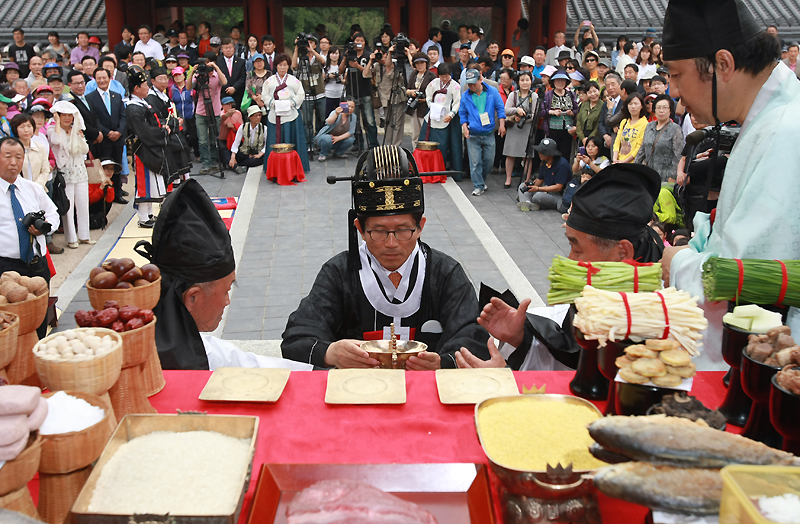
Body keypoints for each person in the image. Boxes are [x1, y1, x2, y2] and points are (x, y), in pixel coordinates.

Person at [659, 0, 800, 369]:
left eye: (675, 74)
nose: (673, 92)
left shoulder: (785, 133)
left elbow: (753, 276)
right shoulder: (771, 116)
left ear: (723, 64)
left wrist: (679, 264)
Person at [282, 146, 491, 369]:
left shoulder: (444, 272)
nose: (391, 243)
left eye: (403, 230)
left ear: (420, 227)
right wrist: (330, 352)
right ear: (360, 229)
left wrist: (442, 364)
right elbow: (297, 338)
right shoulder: (339, 272)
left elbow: (473, 337)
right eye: (379, 232)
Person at [458, 164, 664, 371]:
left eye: (576, 247)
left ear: (622, 253)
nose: (570, 258)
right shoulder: (585, 306)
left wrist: (505, 379)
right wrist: (520, 338)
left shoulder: (664, 325)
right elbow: (565, 363)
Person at [133, 179, 311, 370]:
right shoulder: (195, 357)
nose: (227, 301)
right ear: (192, 297)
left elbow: (245, 363)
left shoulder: (202, 348)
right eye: (226, 291)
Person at [0, 137, 59, 337]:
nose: (13, 162)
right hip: (6, 267)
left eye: (18, 157)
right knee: (9, 322)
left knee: (39, 317)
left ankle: (37, 356)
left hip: (36, 264)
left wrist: (44, 229)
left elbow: (53, 214)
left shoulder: (32, 188)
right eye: (8, 156)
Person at [125, 69, 169, 228]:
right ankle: (143, 217)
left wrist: (163, 126)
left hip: (149, 147)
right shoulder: (133, 107)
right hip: (142, 149)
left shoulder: (141, 103)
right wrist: (161, 131)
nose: (147, 87)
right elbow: (143, 131)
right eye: (144, 85)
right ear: (136, 88)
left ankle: (149, 213)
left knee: (152, 182)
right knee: (145, 184)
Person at [47, 101, 92, 249]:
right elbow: (56, 141)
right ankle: (71, 238)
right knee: (68, 207)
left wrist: (79, 136)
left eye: (69, 115)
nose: (67, 118)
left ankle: (85, 236)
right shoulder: (53, 130)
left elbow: (85, 150)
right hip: (65, 173)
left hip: (80, 172)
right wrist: (58, 123)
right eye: (63, 115)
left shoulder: (77, 130)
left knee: (83, 204)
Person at [460, 68, 506, 196]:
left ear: (481, 79)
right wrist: (465, 128)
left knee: (489, 161)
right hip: (473, 133)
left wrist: (502, 125)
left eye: (474, 83)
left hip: (488, 132)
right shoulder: (466, 95)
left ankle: (481, 179)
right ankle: (478, 185)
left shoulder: (492, 92)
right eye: (469, 83)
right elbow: (462, 113)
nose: (471, 86)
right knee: (474, 162)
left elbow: (500, 109)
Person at [84, 68, 127, 206]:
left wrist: (119, 132)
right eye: (99, 78)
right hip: (103, 140)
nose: (102, 80)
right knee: (104, 169)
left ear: (110, 78)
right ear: (95, 80)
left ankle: (118, 194)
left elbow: (123, 116)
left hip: (118, 139)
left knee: (117, 168)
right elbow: (94, 120)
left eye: (104, 77)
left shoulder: (117, 96)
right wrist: (108, 132)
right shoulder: (90, 98)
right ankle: (106, 194)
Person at [262, 54, 310, 172]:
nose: (282, 68)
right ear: (276, 66)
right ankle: (274, 168)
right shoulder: (269, 81)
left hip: (291, 114)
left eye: (285, 65)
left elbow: (301, 94)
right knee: (274, 139)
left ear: (288, 66)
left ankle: (295, 167)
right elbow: (264, 95)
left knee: (293, 139)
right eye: (280, 65)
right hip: (275, 114)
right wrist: (272, 103)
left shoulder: (294, 80)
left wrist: (293, 103)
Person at [339, 33, 379, 149]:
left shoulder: (368, 55)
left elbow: (370, 74)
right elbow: (341, 71)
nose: (359, 42)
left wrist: (357, 66)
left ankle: (373, 144)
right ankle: (357, 144)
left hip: (366, 91)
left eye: (361, 40)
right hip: (350, 91)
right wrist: (345, 58)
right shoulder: (349, 54)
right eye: (357, 40)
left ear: (365, 42)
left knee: (370, 120)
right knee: (353, 120)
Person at [420, 63, 462, 174]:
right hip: (433, 115)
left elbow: (457, 102)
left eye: (446, 76)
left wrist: (451, 114)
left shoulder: (455, 86)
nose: (444, 79)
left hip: (446, 117)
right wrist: (431, 105)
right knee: (427, 141)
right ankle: (426, 168)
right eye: (442, 76)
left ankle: (442, 168)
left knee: (443, 145)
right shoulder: (434, 83)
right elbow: (428, 95)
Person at [635, 94, 684, 182]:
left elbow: (678, 155)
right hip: (649, 174)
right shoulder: (649, 126)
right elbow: (642, 149)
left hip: (666, 176)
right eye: (659, 108)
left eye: (665, 108)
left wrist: (673, 176)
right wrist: (634, 168)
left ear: (670, 110)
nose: (661, 111)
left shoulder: (675, 129)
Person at [502, 71, 537, 188]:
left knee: (527, 156)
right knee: (510, 153)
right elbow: (506, 110)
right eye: (522, 80)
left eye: (527, 80)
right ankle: (508, 178)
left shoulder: (534, 96)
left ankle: (527, 179)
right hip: (514, 128)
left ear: (531, 81)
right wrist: (516, 111)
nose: (525, 82)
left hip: (527, 128)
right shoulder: (514, 95)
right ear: (518, 82)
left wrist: (524, 119)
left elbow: (535, 114)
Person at [194, 52, 227, 175]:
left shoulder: (216, 75)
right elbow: (188, 87)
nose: (205, 65)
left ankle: (214, 162)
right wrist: (193, 72)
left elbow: (224, 82)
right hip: (201, 111)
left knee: (214, 139)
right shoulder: (199, 75)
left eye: (208, 62)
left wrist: (216, 67)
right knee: (202, 140)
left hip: (215, 110)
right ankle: (206, 164)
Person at [516, 137, 571, 212]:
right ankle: (527, 203)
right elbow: (540, 180)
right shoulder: (544, 162)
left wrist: (538, 189)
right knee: (522, 186)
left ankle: (527, 200)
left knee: (538, 196)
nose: (539, 153)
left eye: (543, 152)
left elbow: (559, 187)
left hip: (557, 195)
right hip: (545, 190)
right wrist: (531, 186)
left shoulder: (562, 164)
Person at [541, 69, 578, 161]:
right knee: (553, 153)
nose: (560, 82)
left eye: (563, 80)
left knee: (566, 153)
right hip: (552, 129)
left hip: (567, 129)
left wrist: (572, 112)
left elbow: (577, 109)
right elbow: (541, 111)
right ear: (553, 81)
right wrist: (552, 112)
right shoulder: (548, 94)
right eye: (558, 80)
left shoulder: (571, 94)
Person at [406, 54, 435, 151]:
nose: (420, 65)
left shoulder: (431, 75)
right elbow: (407, 89)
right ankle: (415, 154)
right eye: (417, 63)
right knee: (415, 134)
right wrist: (411, 92)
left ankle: (426, 154)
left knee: (426, 133)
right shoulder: (413, 74)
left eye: (422, 63)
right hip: (414, 108)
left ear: (426, 63)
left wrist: (425, 99)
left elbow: (435, 93)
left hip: (425, 108)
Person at [613, 93, 648, 163]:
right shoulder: (624, 122)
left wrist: (626, 161)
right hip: (619, 161)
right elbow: (617, 141)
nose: (633, 106)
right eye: (630, 104)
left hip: (633, 163)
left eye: (636, 104)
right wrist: (615, 158)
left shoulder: (645, 124)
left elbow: (639, 146)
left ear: (641, 106)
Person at [215, 38, 246, 110]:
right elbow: (216, 77)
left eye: (230, 47)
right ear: (222, 49)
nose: (228, 50)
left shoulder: (241, 62)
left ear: (234, 49)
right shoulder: (217, 61)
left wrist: (234, 88)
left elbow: (242, 77)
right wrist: (227, 88)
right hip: (222, 93)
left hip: (237, 93)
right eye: (226, 48)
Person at [575, 80, 603, 146]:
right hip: (582, 138)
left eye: (595, 91)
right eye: (590, 92)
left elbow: (598, 126)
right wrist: (583, 138)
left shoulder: (603, 106)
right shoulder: (584, 105)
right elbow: (578, 122)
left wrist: (589, 140)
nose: (593, 94)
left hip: (595, 139)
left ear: (599, 91)